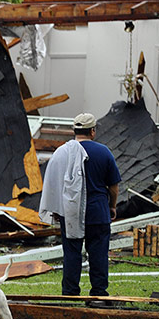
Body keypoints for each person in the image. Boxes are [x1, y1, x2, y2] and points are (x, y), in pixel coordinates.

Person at [39, 113, 121, 297]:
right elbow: (114, 186)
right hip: (97, 212)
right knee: (98, 254)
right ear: (92, 131)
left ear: (74, 131)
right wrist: (112, 206)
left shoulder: (62, 152)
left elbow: (53, 184)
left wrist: (57, 209)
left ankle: (70, 293)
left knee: (72, 253)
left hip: (70, 213)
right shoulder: (104, 152)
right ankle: (99, 293)